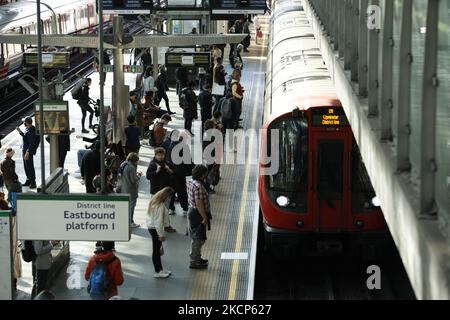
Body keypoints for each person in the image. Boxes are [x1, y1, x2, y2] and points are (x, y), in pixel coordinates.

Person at [146, 187, 174, 278]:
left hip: (152, 227)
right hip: (155, 229)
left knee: (157, 250)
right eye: (169, 197)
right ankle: (157, 271)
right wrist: (160, 235)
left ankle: (160, 269)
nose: (169, 199)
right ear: (166, 196)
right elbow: (158, 222)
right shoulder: (160, 206)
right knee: (156, 251)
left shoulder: (154, 200)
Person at [146, 148, 177, 230]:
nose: (160, 157)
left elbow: (174, 174)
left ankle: (166, 225)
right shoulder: (152, 164)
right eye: (158, 155)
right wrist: (156, 171)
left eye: (162, 155)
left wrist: (169, 169)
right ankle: (154, 226)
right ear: (155, 155)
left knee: (166, 210)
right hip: (156, 191)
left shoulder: (167, 164)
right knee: (155, 209)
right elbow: (148, 176)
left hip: (166, 192)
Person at [187, 165, 211, 269]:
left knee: (197, 236)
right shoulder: (198, 186)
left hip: (192, 211)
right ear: (202, 175)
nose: (207, 175)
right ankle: (194, 261)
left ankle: (197, 257)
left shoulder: (191, 181)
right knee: (199, 238)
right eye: (205, 173)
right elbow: (199, 203)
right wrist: (204, 217)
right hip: (198, 214)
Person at [118, 152, 142, 228]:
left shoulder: (123, 164)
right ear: (134, 160)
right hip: (131, 190)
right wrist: (138, 176)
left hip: (123, 188)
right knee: (132, 206)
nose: (138, 162)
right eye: (137, 160)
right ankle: (130, 221)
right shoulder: (131, 167)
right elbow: (133, 180)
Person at [16, 117, 37, 189]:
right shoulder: (28, 129)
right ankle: (28, 180)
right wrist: (20, 132)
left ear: (26, 123)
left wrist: (27, 152)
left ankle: (33, 182)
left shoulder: (32, 131)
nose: (23, 123)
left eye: (24, 122)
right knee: (26, 167)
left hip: (28, 152)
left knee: (30, 167)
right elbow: (25, 138)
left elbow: (31, 143)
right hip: (25, 150)